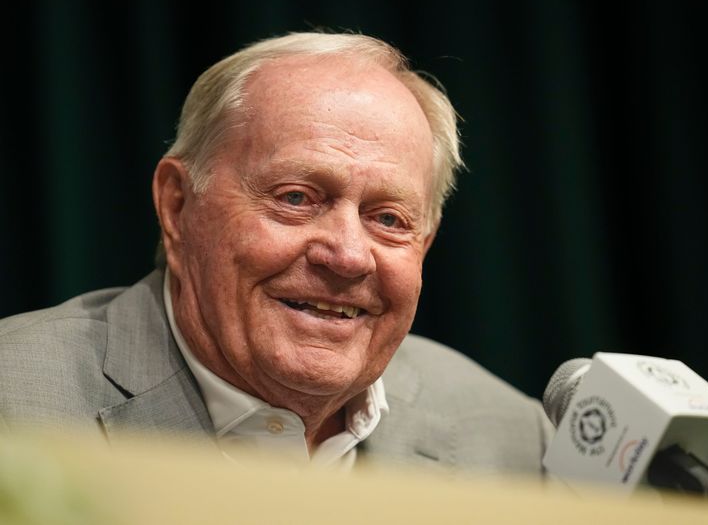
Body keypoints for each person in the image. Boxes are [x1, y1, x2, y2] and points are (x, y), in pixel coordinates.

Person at [0, 32, 552, 475]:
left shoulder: (513, 440)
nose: (348, 255)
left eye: (388, 219)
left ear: (425, 245)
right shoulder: (15, 407)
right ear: (177, 206)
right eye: (296, 199)